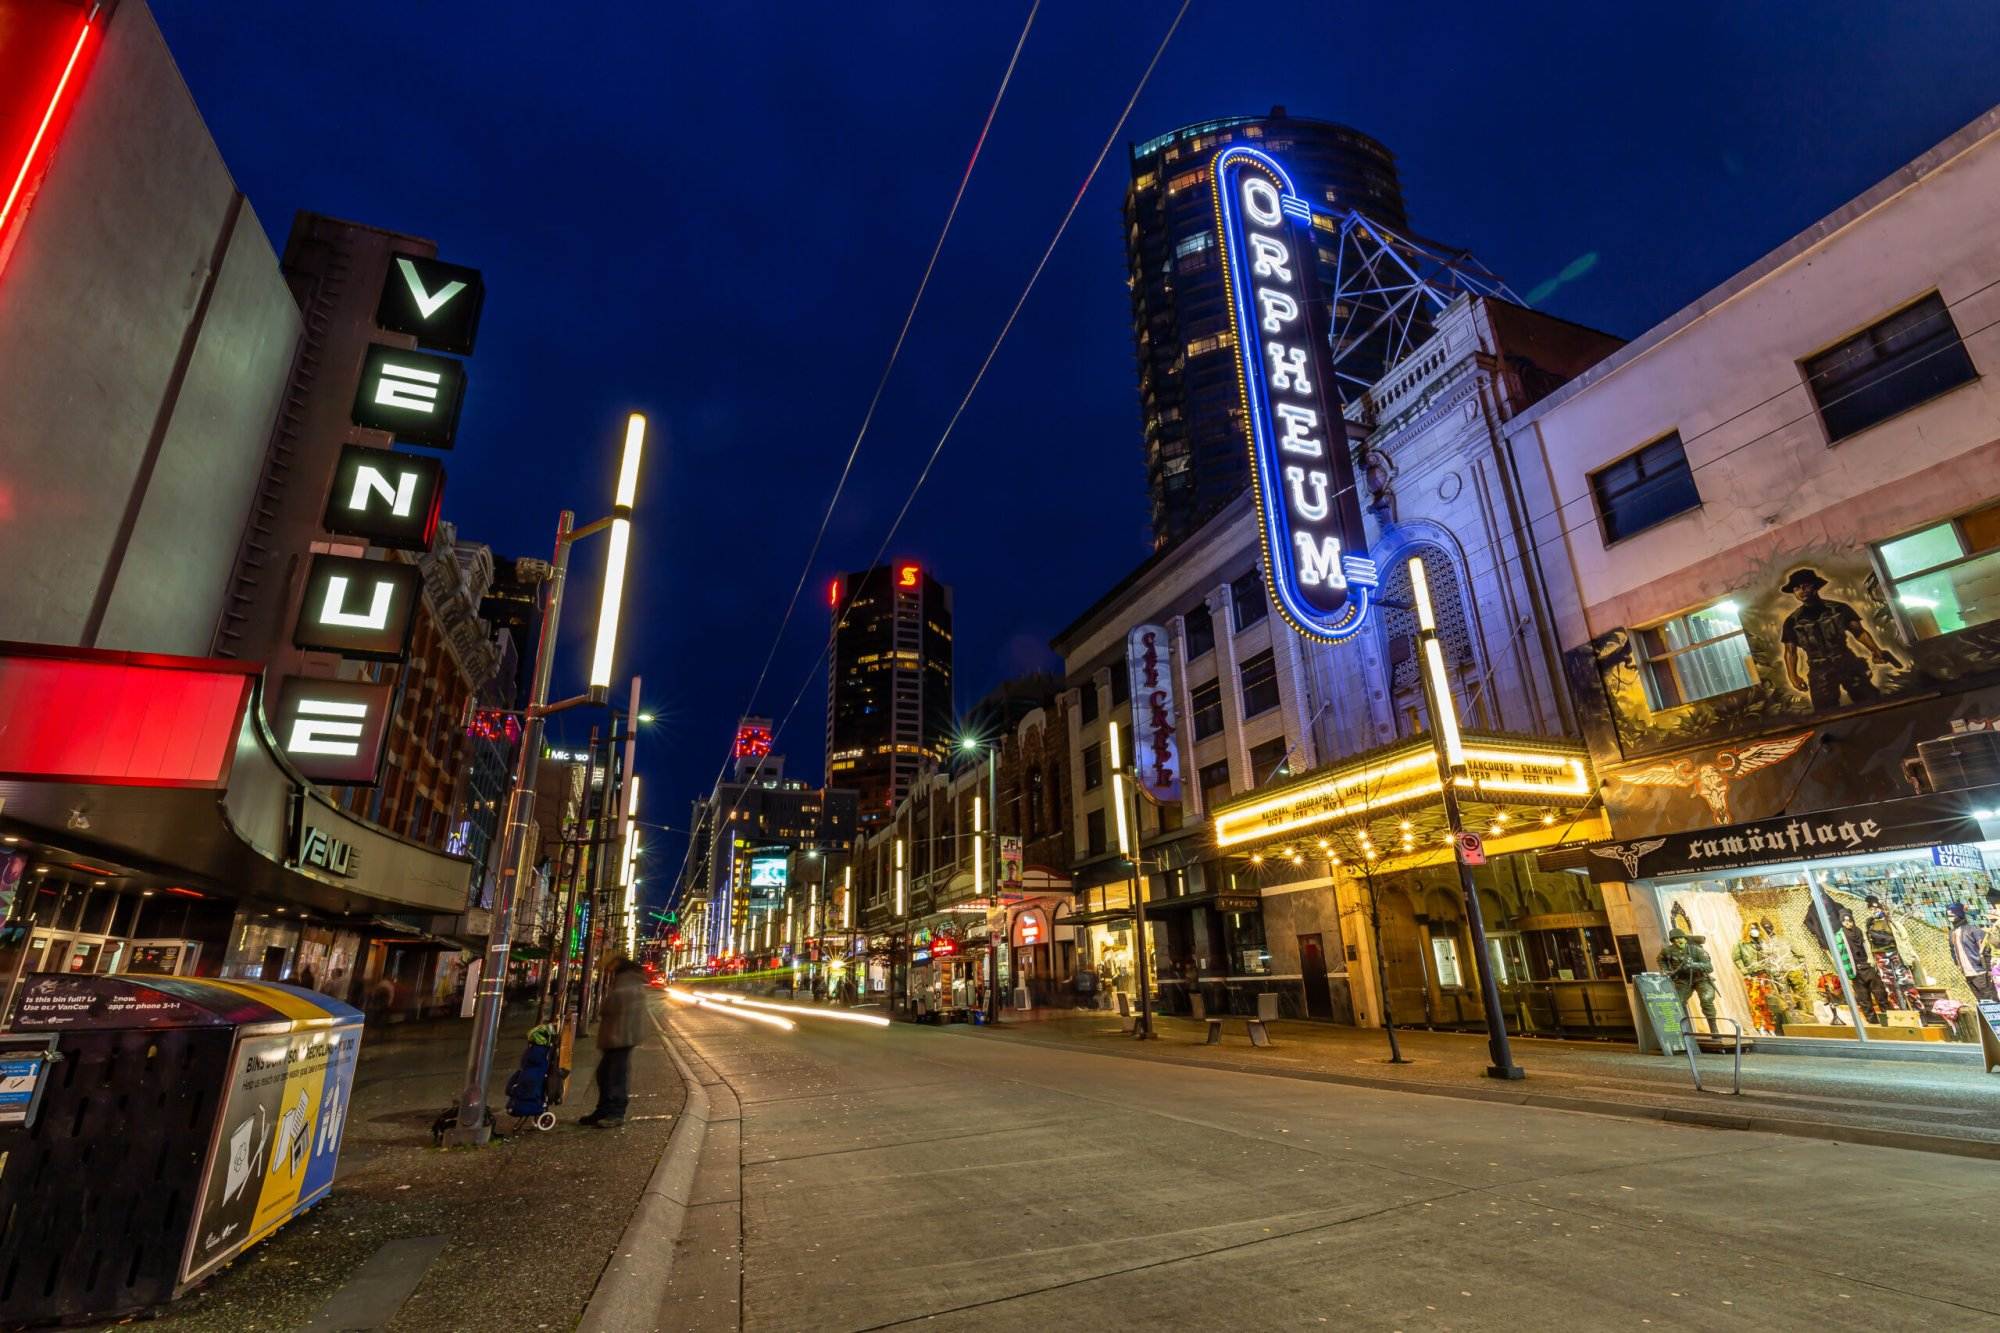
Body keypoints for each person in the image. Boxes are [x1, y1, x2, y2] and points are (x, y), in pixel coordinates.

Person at [1777, 568, 1899, 710]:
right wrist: (1793, 676)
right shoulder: (1792, 621)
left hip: (1846, 662)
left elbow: (1859, 633)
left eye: (1806, 586)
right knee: (1824, 711)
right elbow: (1790, 652)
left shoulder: (1839, 609)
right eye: (1797, 588)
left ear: (1815, 586)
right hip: (1819, 670)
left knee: (1871, 702)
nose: (1801, 591)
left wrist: (1875, 650)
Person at [581, 958, 647, 1129]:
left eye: (612, 968)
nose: (609, 970)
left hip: (620, 1038)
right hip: (616, 1037)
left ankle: (615, 1113)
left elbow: (609, 1009)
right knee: (605, 1075)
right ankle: (603, 1110)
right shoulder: (627, 984)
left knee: (615, 1077)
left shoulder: (627, 987)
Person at [1657, 927, 1719, 1033]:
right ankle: (1684, 1032)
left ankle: (1715, 1031)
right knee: (1678, 1002)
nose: (1679, 940)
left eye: (1681, 938)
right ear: (1672, 941)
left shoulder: (1696, 950)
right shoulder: (1668, 951)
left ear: (1685, 939)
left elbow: (1709, 967)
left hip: (1701, 978)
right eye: (1676, 939)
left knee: (1706, 1000)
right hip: (1683, 979)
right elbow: (1660, 959)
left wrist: (1694, 965)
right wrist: (1665, 970)